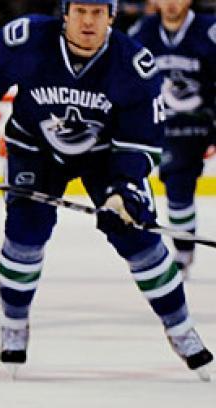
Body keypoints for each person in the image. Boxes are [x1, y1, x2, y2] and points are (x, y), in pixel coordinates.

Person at [0, 0, 214, 380]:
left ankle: (180, 327)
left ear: (112, 16)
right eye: (80, 11)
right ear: (65, 12)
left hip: (105, 155)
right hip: (35, 148)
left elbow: (141, 143)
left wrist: (125, 191)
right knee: (25, 233)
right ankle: (14, 322)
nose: (88, 22)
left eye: (98, 13)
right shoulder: (26, 39)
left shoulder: (134, 64)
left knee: (138, 239)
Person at [128, 0, 216, 276]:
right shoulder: (142, 32)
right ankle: (183, 252)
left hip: (208, 116)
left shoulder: (211, 30)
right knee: (177, 186)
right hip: (173, 125)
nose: (171, 3)